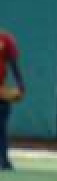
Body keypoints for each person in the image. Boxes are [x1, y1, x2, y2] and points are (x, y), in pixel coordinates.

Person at [0, 28, 25, 171]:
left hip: (1, 91)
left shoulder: (5, 39)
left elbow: (14, 63)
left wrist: (20, 84)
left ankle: (3, 161)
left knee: (1, 127)